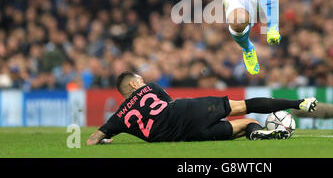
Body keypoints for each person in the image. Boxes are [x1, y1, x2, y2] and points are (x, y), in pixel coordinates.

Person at [86, 72, 317, 145]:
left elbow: (91, 139)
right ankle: (298, 104)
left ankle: (255, 132)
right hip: (187, 111)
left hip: (184, 136)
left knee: (244, 125)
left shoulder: (119, 118)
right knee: (244, 107)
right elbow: (168, 105)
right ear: (135, 84)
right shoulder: (152, 88)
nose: (144, 81)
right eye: (141, 80)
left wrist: (105, 138)